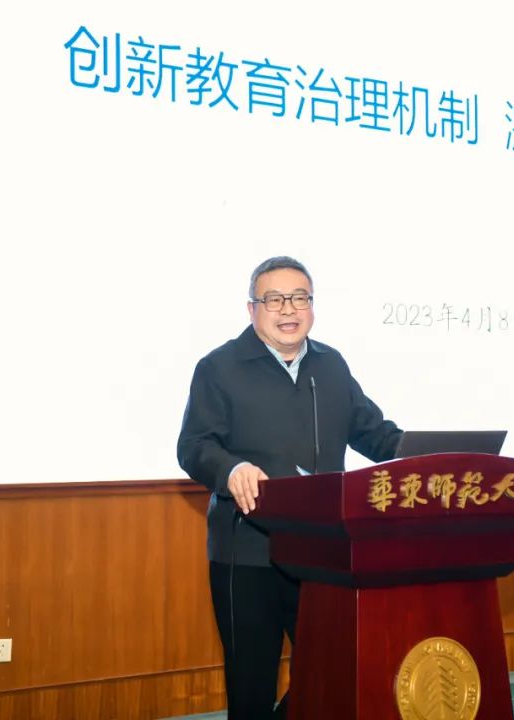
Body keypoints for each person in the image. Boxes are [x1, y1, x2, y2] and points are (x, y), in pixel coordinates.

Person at [177, 256, 402, 719]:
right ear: (252, 309)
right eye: (274, 299)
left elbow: (374, 434)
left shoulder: (331, 365)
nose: (288, 309)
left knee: (332, 673)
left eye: (300, 297)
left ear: (312, 306)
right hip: (248, 552)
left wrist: (425, 452)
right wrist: (231, 468)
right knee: (251, 687)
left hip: (323, 554)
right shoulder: (219, 367)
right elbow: (194, 445)